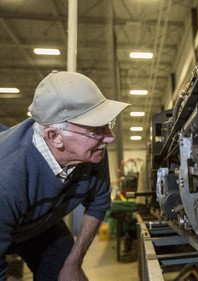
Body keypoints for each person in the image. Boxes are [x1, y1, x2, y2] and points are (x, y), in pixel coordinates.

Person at [0, 71, 130, 281]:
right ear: (55, 137)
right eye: (96, 129)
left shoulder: (93, 152)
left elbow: (99, 202)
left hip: (41, 225)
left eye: (108, 125)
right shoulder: (7, 178)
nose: (110, 138)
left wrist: (74, 263)